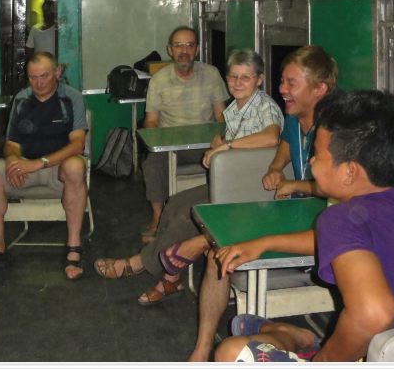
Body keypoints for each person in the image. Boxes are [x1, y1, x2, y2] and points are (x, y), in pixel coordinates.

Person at [212, 90, 394, 362]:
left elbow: (374, 313)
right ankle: (293, 336)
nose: (311, 161)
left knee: (231, 352)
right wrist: (265, 243)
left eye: (317, 154)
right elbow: (348, 243)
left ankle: (292, 339)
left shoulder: (338, 217)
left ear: (350, 172)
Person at [93, 49, 283, 305]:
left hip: (250, 191)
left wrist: (226, 148)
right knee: (175, 204)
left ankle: (140, 264)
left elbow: (271, 137)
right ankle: (172, 277)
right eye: (233, 77)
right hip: (229, 184)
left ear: (259, 80)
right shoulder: (235, 109)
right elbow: (233, 137)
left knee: (189, 215)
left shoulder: (264, 105)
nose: (238, 83)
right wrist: (220, 142)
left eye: (246, 78)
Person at [188, 45, 337, 361]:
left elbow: (339, 191)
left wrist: (297, 183)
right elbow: (283, 145)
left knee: (221, 247)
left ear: (320, 89)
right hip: (297, 213)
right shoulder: (296, 120)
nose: (282, 89)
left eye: (291, 83)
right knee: (219, 255)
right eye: (282, 81)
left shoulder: (337, 133)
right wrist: (274, 167)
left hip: (326, 227)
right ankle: (202, 348)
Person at [0, 51, 88, 280]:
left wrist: (38, 164)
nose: (38, 83)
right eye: (32, 77)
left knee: (75, 166)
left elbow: (78, 145)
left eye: (44, 76)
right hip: (26, 166)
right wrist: (13, 160)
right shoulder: (21, 99)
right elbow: (11, 144)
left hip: (56, 167)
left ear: (57, 72)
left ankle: (74, 245)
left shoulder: (72, 98)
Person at [141, 26, 228, 241]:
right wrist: (157, 139)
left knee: (228, 159)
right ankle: (158, 217)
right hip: (172, 147)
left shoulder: (211, 74)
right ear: (170, 50)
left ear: (197, 49)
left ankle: (219, 214)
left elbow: (222, 116)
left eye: (189, 45)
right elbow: (151, 120)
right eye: (178, 45)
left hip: (205, 144)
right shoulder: (159, 80)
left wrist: (225, 141)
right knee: (152, 162)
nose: (184, 51)